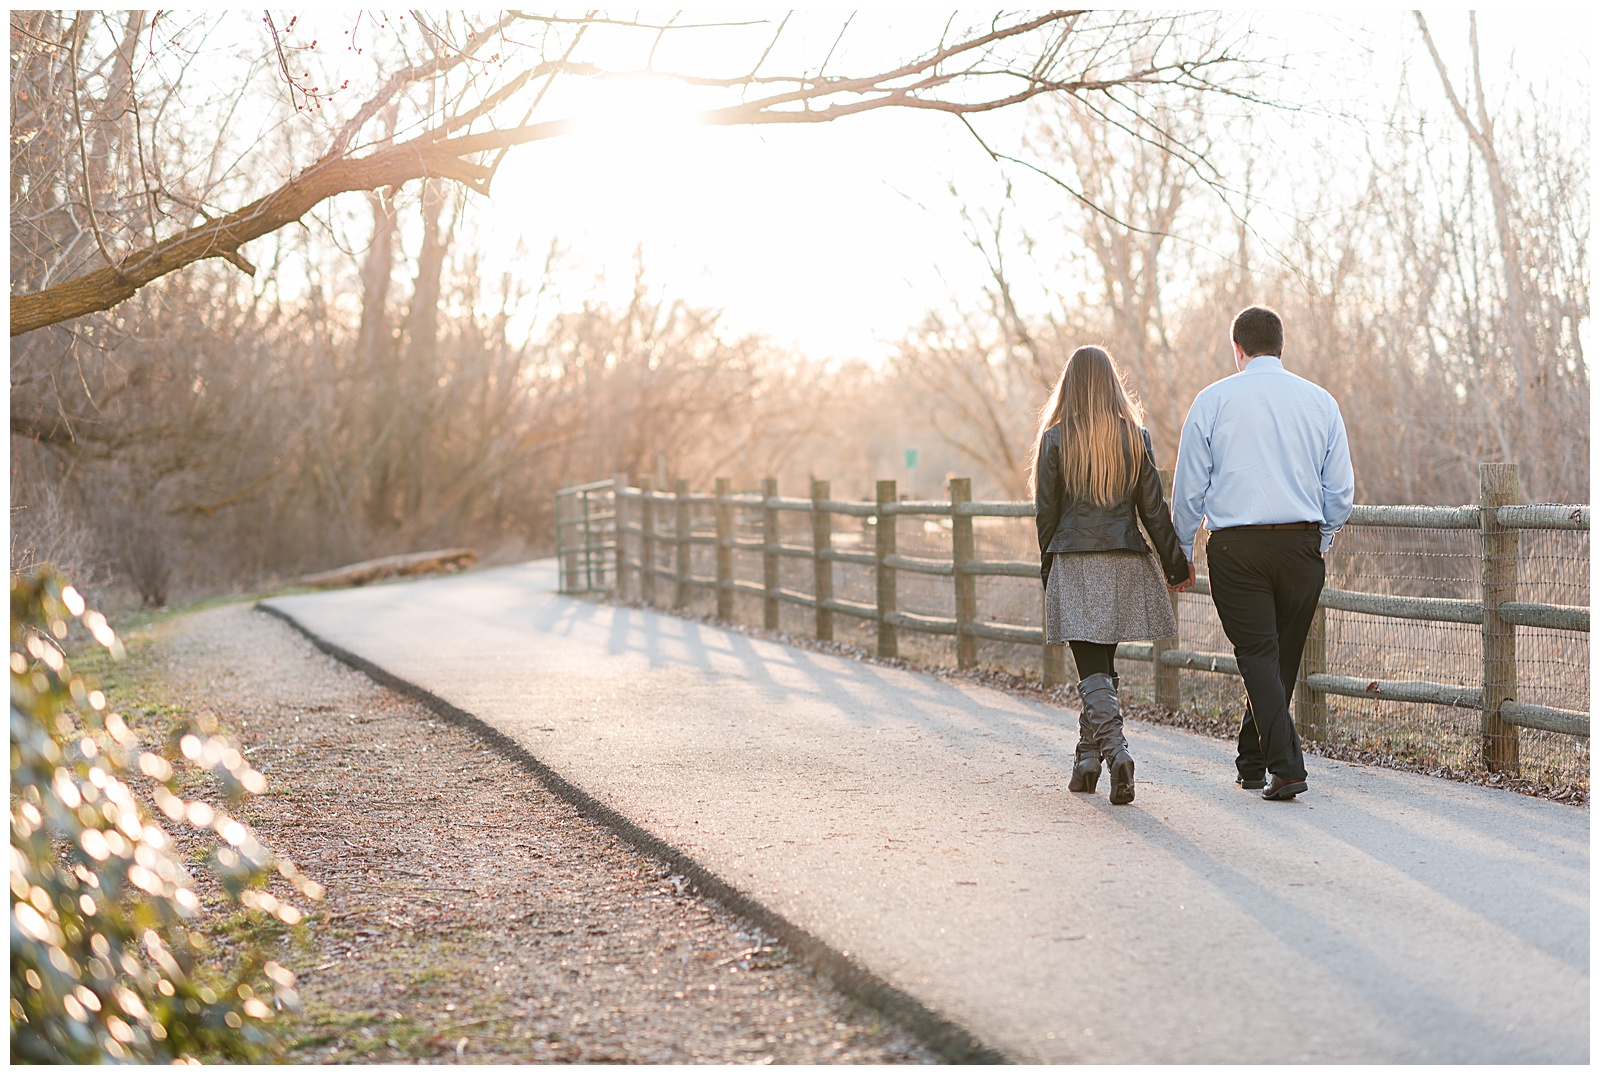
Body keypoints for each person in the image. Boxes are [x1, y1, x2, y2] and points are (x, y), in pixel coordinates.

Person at [1171, 306, 1354, 801]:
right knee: (1278, 659)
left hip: (1237, 548)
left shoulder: (1211, 401)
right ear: (1281, 345)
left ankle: (1286, 766)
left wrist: (1181, 549)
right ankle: (1252, 760)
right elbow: (1340, 489)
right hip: (1301, 544)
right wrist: (1322, 539)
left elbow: (1189, 489)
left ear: (1238, 350)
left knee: (1258, 656)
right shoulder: (1321, 403)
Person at [1033, 345, 1192, 806]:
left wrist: (1049, 568)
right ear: (1110, 384)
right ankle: (1086, 763)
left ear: (1070, 385)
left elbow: (1047, 515)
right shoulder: (1134, 437)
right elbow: (1154, 510)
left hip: (1077, 562)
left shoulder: (1056, 438)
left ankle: (1118, 755)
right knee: (1100, 669)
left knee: (1091, 670)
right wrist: (1175, 565)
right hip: (1122, 561)